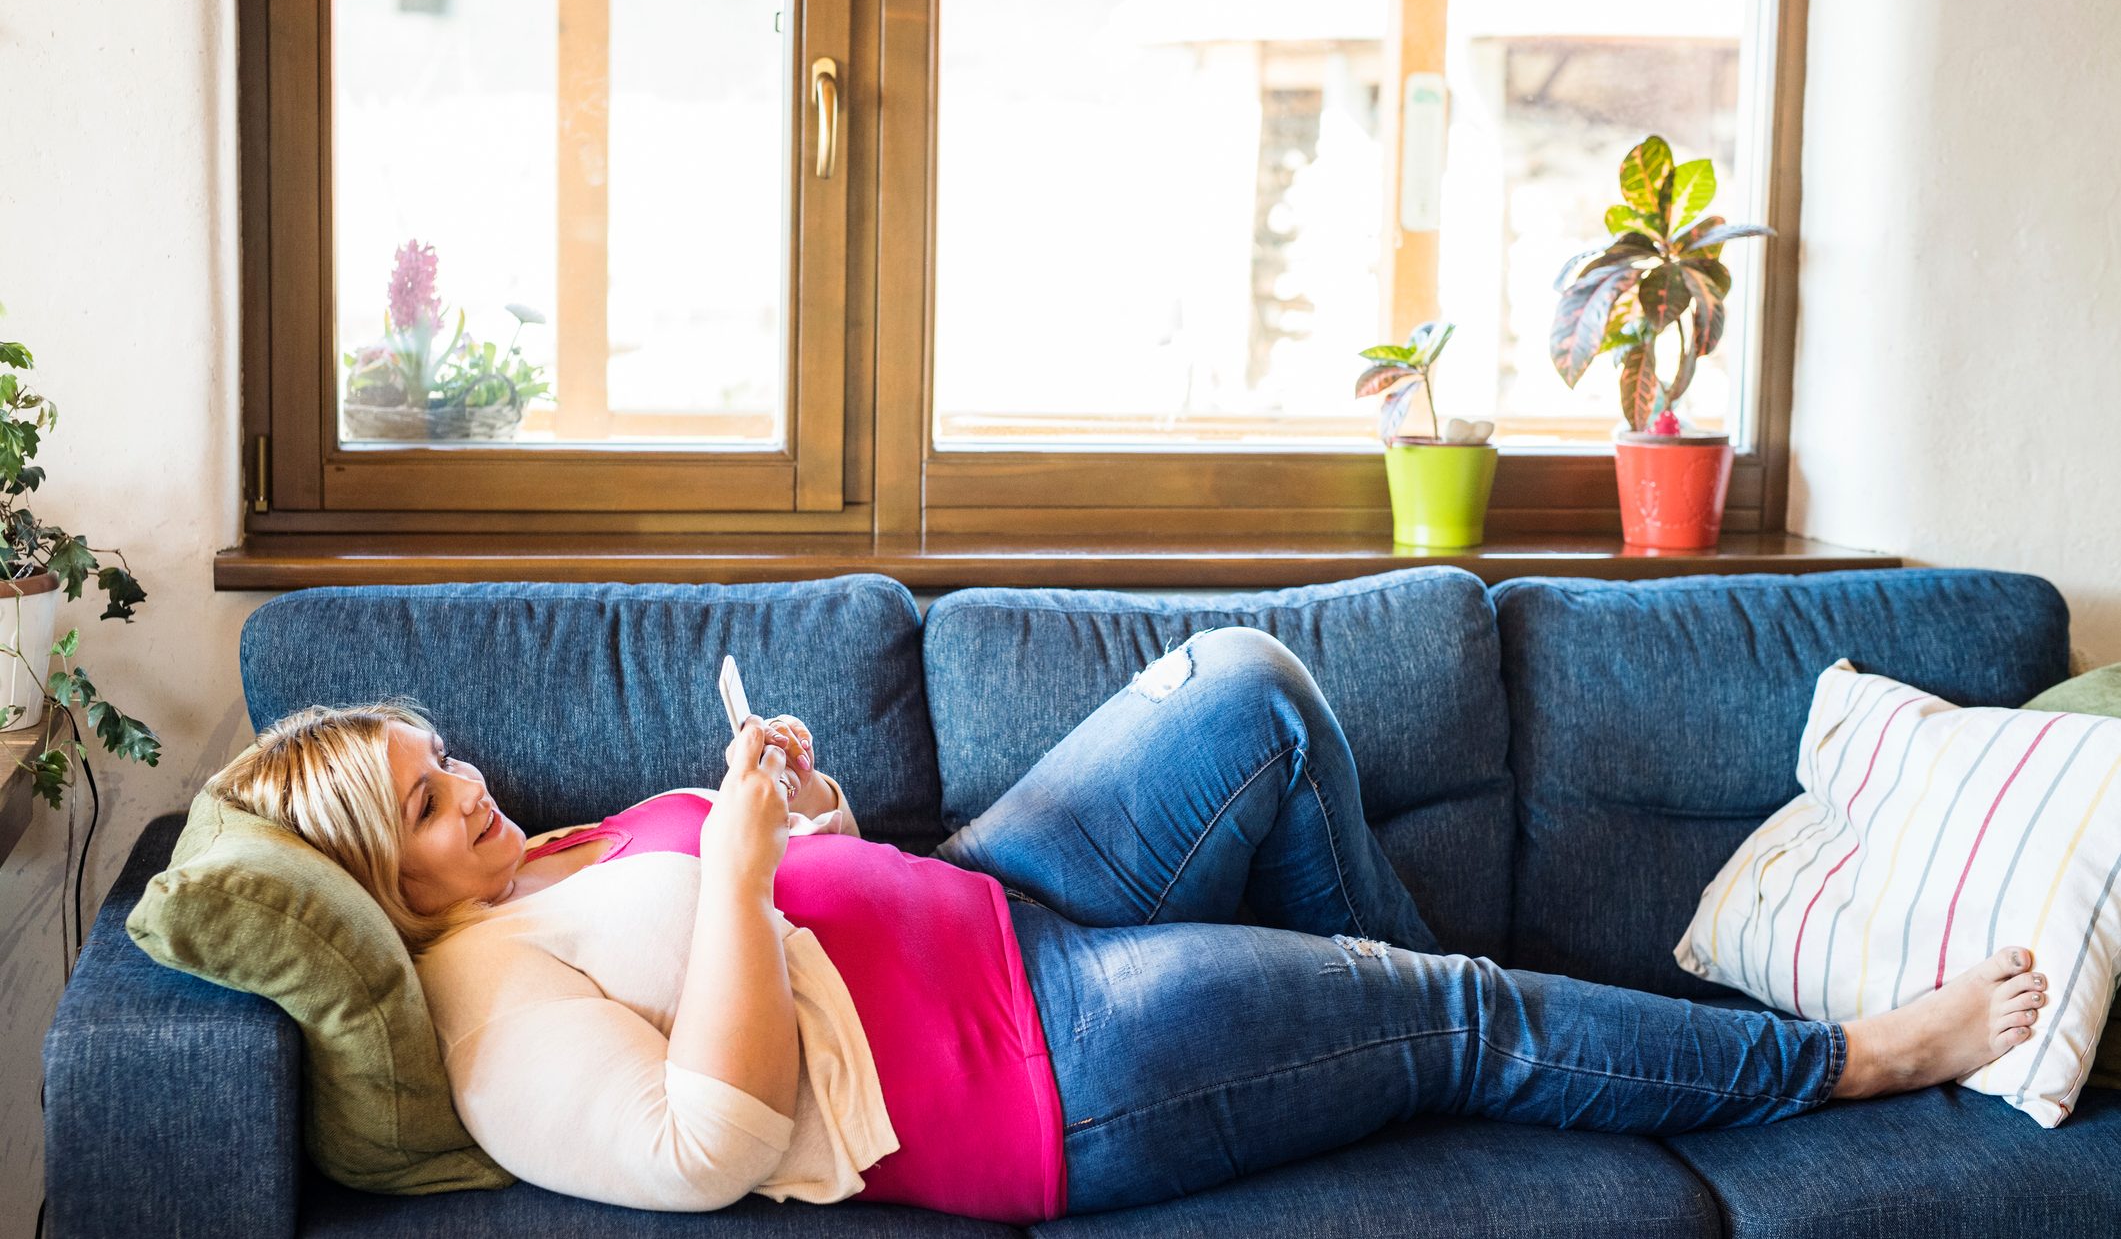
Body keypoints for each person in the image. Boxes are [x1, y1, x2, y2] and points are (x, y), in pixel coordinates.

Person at [206, 627, 2049, 1223]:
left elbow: (809, 899)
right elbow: (705, 1146)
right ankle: (1848, 1057)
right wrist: (754, 861)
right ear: (386, 879)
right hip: (1045, 1062)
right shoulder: (480, 1002)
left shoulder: (537, 869)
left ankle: (1412, 1046)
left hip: (1004, 898)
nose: (477, 789)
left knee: (1249, 683)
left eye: (448, 761)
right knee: (1474, 1011)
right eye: (434, 799)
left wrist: (812, 809)